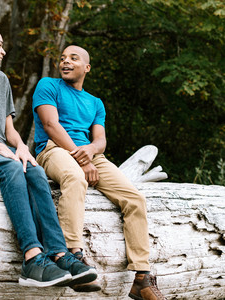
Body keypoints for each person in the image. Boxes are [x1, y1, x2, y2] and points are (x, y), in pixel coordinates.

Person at [0, 22, 98, 289]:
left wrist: (21, 147)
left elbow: (8, 130)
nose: (3, 51)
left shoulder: (0, 80)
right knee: (13, 169)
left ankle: (58, 253)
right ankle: (32, 257)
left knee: (35, 169)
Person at [32, 45, 165, 299]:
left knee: (134, 198)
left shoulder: (95, 102)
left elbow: (100, 140)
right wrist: (82, 160)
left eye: (73, 58)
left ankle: (141, 277)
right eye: (62, 59)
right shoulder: (47, 85)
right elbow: (50, 125)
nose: (65, 62)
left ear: (87, 67)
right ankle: (72, 254)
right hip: (53, 149)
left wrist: (90, 152)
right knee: (74, 178)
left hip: (91, 156)